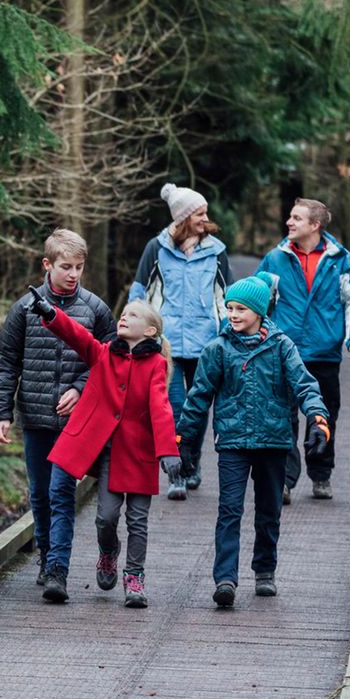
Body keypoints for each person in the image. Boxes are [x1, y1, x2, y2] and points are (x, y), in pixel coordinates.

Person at [174, 275, 330, 607]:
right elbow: (198, 397)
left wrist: (318, 419)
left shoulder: (281, 346)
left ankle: (264, 570)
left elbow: (305, 385)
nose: (232, 314)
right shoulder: (217, 349)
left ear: (259, 311)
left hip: (274, 442)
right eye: (229, 307)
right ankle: (226, 578)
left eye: (240, 308)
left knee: (269, 510)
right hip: (232, 442)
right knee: (229, 509)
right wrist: (184, 439)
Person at [28, 292, 179, 607]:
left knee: (137, 519)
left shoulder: (155, 365)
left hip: (140, 454)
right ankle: (108, 552)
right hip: (110, 453)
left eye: (133, 316)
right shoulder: (105, 353)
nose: (123, 318)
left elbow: (161, 407)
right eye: (123, 313)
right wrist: (50, 312)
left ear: (150, 331)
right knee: (106, 517)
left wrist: (168, 451)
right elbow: (77, 335)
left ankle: (134, 578)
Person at [0, 229, 117, 601]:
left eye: (79, 267)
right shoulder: (23, 309)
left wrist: (80, 388)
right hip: (35, 415)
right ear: (47, 265)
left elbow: (109, 362)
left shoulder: (95, 309)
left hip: (77, 421)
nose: (73, 274)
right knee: (39, 493)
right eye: (66, 267)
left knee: (62, 491)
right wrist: (1, 412)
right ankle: (46, 556)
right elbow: (7, 362)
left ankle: (58, 570)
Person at [255, 198, 350, 503]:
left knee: (325, 417)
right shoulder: (275, 259)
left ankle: (321, 474)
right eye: (290, 217)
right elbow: (256, 302)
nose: (288, 222)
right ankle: (285, 480)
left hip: (324, 354)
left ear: (315, 225)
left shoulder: (341, 260)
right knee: (283, 418)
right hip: (284, 352)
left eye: (296, 218)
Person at [129, 182, 231, 501]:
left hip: (206, 343)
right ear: (184, 217)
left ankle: (192, 463)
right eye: (199, 212)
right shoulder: (156, 249)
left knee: (197, 409)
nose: (205, 217)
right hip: (167, 343)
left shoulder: (217, 251)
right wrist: (135, 327)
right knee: (173, 408)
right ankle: (176, 474)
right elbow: (140, 291)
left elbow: (224, 296)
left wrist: (228, 332)